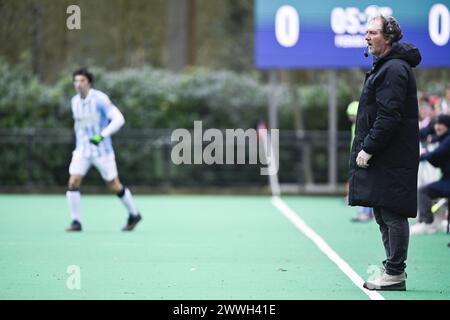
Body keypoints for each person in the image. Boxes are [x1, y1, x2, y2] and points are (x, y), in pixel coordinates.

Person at [348, 15, 421, 291]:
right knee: (382, 211)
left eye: (372, 32)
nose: (367, 37)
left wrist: (368, 148)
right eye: (366, 31)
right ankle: (393, 271)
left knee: (392, 213)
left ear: (388, 38)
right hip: (387, 155)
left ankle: (395, 273)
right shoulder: (386, 66)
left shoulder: (394, 69)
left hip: (393, 155)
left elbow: (389, 116)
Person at [65, 68, 142, 232]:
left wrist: (102, 135)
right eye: (76, 81)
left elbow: (119, 119)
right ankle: (76, 221)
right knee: (73, 181)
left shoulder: (100, 99)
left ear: (89, 83)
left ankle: (134, 214)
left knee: (114, 184)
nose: (78, 84)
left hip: (102, 151)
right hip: (82, 151)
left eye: (82, 81)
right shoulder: (74, 102)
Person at [411, 114, 450, 235]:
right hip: (446, 179)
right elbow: (437, 160)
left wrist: (422, 156)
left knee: (423, 191)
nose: (437, 126)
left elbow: (435, 155)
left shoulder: (447, 140)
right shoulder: (444, 138)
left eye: (441, 124)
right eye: (436, 124)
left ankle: (427, 223)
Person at [346, 101, 373, 222]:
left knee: (366, 185)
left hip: (364, 157)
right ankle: (364, 211)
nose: (352, 118)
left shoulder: (365, 124)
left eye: (354, 115)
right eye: (350, 116)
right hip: (357, 157)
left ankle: (367, 213)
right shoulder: (354, 125)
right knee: (362, 185)